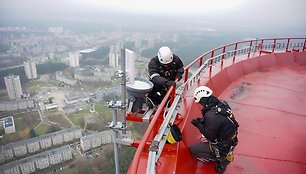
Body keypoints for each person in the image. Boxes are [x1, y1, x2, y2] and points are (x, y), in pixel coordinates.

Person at [189, 86, 239, 173]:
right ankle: (224, 153)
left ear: (202, 101)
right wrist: (202, 122)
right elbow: (221, 122)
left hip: (223, 146)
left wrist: (199, 125)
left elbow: (210, 137)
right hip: (231, 139)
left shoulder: (211, 116)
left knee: (193, 149)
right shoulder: (222, 104)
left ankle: (221, 158)